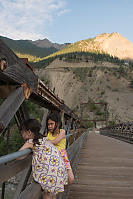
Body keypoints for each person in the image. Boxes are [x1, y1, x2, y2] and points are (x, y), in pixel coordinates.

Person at [19, 119, 68, 199]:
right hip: (60, 169)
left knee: (46, 194)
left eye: (22, 132)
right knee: (52, 194)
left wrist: (27, 147)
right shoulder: (44, 139)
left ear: (29, 132)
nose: (21, 134)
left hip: (51, 173)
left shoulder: (30, 142)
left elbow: (19, 156)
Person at [46, 112, 74, 185]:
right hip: (52, 157)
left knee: (71, 179)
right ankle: (55, 192)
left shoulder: (62, 131)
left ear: (58, 124)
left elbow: (55, 141)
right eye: (48, 124)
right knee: (55, 180)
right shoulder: (47, 133)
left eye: (51, 124)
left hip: (62, 156)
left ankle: (59, 191)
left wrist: (46, 142)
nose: (49, 126)